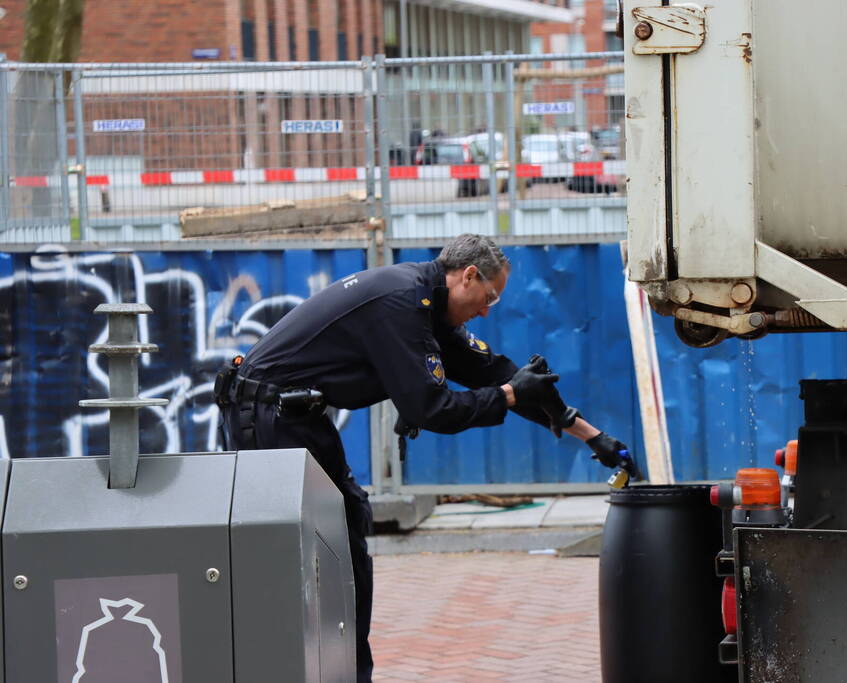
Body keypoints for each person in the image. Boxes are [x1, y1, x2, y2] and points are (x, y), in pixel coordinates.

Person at [217, 233, 635, 682]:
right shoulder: (403, 304)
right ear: (468, 275)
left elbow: (498, 375)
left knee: (344, 527)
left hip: (293, 415)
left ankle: (346, 670)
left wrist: (592, 437)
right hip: (266, 415)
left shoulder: (429, 303)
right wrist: (510, 395)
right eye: (488, 297)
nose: (486, 310)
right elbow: (434, 410)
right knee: (293, 551)